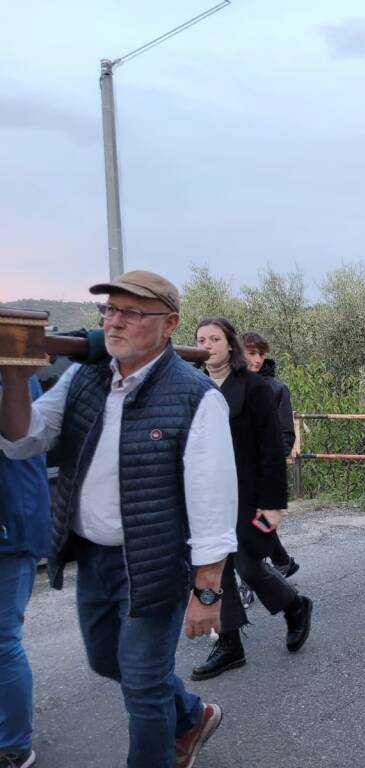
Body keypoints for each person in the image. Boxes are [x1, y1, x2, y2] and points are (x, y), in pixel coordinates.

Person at [0, 271, 234, 768]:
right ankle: (190, 716)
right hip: (96, 557)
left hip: (156, 562)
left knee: (144, 685)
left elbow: (213, 503)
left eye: (131, 312)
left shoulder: (196, 397)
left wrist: (207, 591)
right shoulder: (83, 377)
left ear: (169, 324)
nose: (114, 322)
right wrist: (16, 379)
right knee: (108, 662)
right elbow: (24, 438)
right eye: (109, 311)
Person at [191, 317, 313, 681]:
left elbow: (272, 450)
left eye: (215, 338)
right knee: (213, 565)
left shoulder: (255, 387)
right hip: (205, 495)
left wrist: (273, 503)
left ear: (230, 345)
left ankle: (294, 605)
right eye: (201, 339)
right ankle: (229, 643)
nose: (208, 344)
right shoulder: (192, 386)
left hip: (246, 493)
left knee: (247, 564)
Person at [0, 374, 50, 768]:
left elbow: (17, 436)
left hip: (11, 525)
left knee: (2, 640)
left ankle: (15, 744)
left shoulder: (15, 371)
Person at [241, 331, 300, 578]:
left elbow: (286, 434)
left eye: (260, 354)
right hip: (235, 468)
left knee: (255, 521)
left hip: (264, 469)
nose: (256, 360)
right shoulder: (228, 384)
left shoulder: (277, 389)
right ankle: (281, 560)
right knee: (248, 521)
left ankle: (270, 565)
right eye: (251, 353)